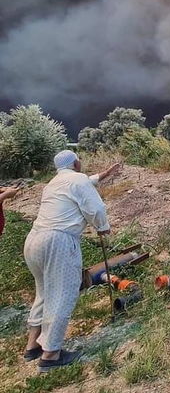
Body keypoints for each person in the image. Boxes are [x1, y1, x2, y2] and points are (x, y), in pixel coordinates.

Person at [22, 150, 119, 372]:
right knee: (63, 294)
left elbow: (87, 181)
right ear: (76, 163)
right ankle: (51, 354)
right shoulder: (78, 179)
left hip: (34, 240)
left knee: (44, 293)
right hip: (58, 242)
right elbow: (96, 208)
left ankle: (32, 346)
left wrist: (105, 174)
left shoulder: (53, 183)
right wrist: (103, 227)